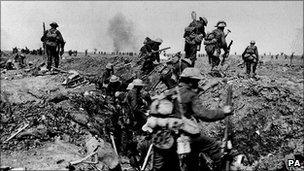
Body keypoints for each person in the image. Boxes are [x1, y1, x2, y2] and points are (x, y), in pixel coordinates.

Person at [139, 67, 233, 171]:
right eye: (196, 81)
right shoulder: (190, 95)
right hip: (185, 134)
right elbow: (204, 114)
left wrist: (210, 85)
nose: (197, 83)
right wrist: (223, 112)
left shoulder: (171, 92)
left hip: (167, 135)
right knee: (213, 145)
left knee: (179, 162)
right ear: (191, 81)